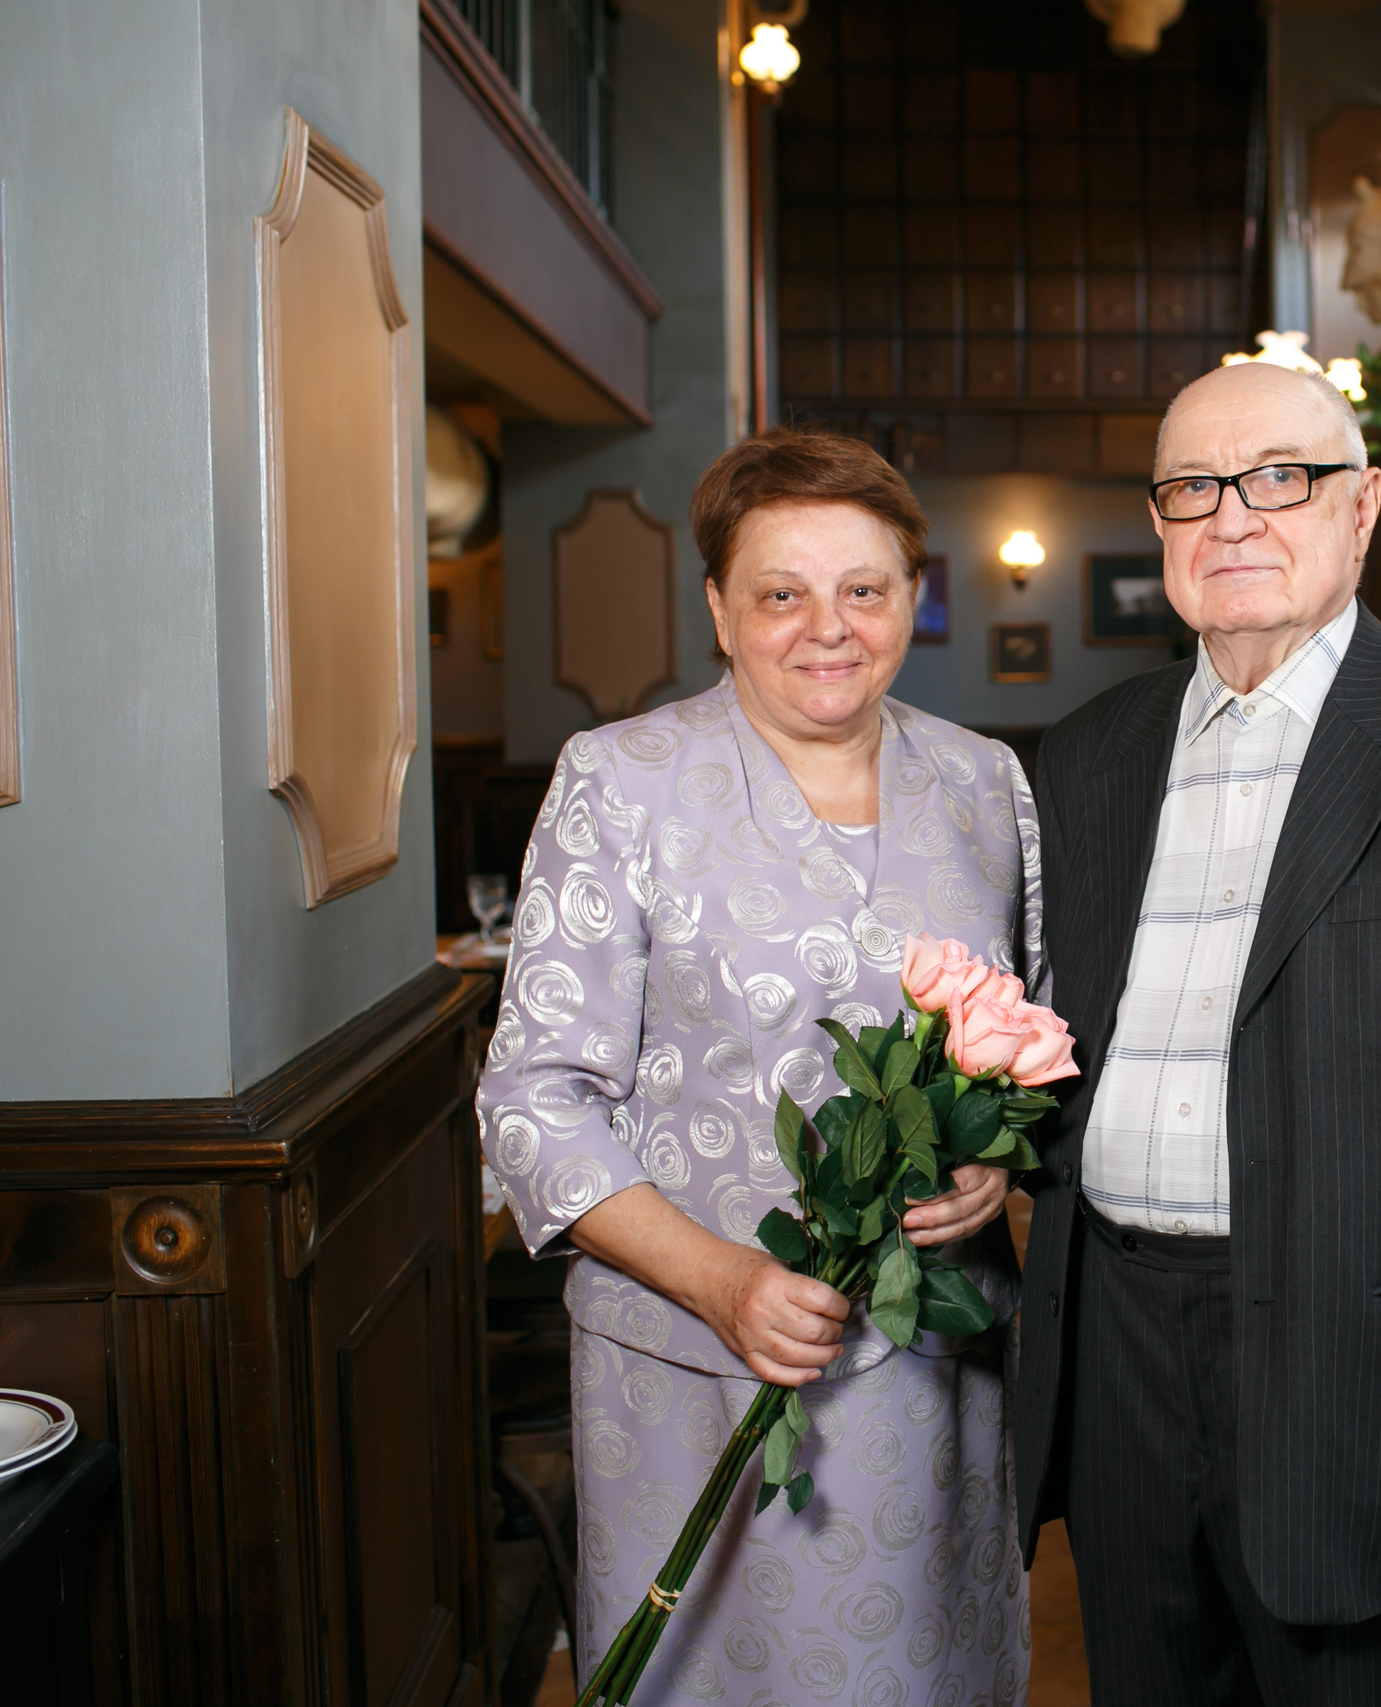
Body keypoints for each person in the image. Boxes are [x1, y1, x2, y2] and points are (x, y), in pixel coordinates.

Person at [1013, 361, 1381, 1704]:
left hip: (1364, 1396)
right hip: (1117, 1352)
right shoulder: (1084, 755)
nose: (1232, 517)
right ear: (1159, 523)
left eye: (1280, 476)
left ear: (1364, 504)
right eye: (1191, 488)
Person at [477, 428, 1038, 1706]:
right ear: (721, 610)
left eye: (866, 589)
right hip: (691, 1375)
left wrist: (992, 1179)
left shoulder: (985, 785)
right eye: (781, 593)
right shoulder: (619, 783)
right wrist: (723, 1281)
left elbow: (1029, 1052)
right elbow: (533, 1097)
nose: (826, 627)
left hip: (934, 1380)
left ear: (914, 597)